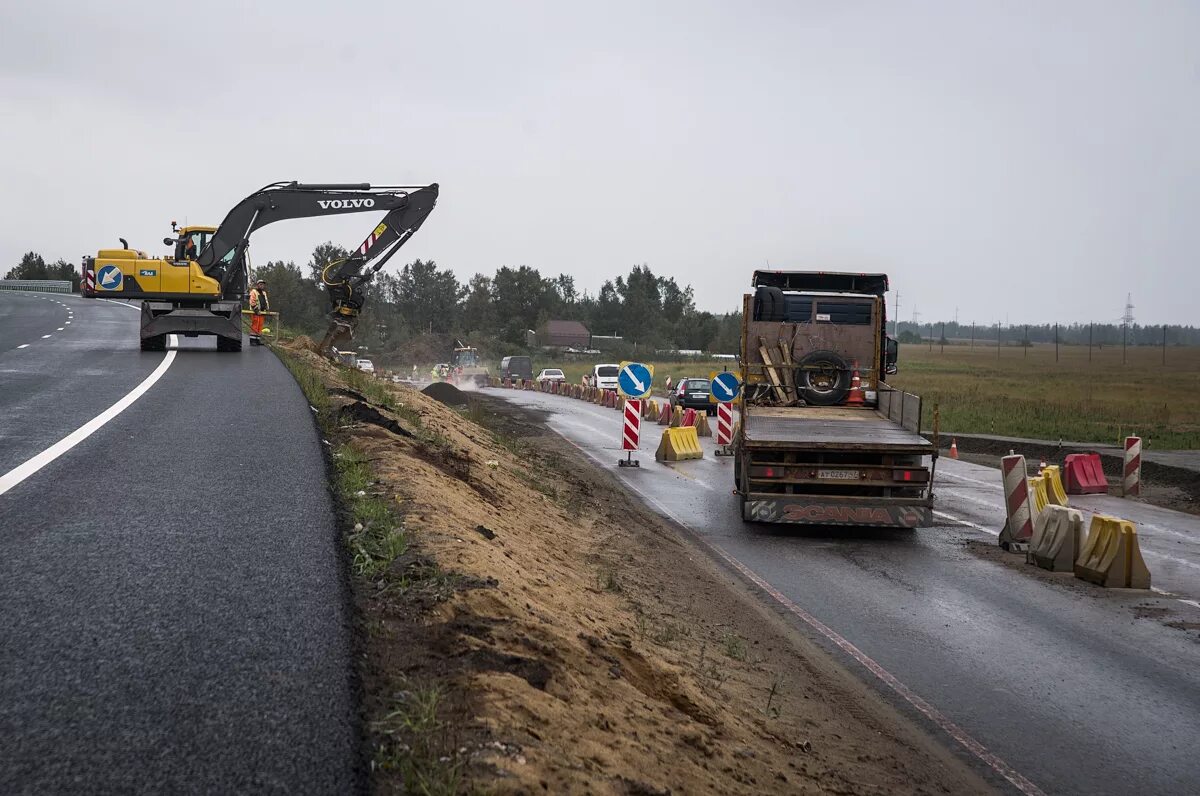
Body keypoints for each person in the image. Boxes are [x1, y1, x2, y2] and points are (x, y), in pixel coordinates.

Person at [248, 279, 269, 346]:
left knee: (260, 325)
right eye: (260, 284)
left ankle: (257, 340)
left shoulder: (264, 293)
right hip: (255, 312)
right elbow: (252, 301)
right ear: (257, 285)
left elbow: (265, 301)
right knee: (255, 325)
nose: (262, 285)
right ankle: (252, 340)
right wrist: (256, 310)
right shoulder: (253, 292)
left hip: (262, 312)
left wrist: (267, 308)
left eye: (263, 284)